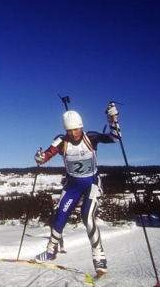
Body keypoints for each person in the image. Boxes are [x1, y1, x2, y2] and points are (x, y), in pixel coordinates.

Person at [33, 102, 120, 275]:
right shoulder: (61, 140)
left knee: (87, 216)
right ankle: (51, 251)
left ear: (81, 126)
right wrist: (39, 158)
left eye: (76, 129)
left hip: (91, 183)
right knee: (59, 218)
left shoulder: (91, 138)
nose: (73, 134)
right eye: (69, 130)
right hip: (72, 185)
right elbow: (46, 156)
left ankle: (99, 258)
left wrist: (112, 119)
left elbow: (116, 138)